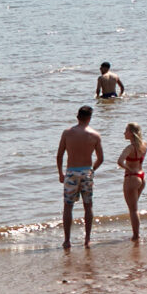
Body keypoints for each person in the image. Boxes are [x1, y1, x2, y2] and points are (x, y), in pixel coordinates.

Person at [57, 104, 104, 248]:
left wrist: (60, 172)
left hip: (71, 172)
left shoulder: (67, 133)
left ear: (78, 117)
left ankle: (67, 240)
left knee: (68, 206)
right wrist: (92, 170)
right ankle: (87, 239)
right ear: (90, 118)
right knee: (88, 206)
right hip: (86, 172)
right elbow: (101, 158)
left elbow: (59, 155)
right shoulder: (95, 135)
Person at [116, 123, 147, 242]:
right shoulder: (144, 145)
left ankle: (136, 235)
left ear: (132, 133)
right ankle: (136, 233)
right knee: (134, 208)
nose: (124, 133)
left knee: (133, 209)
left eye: (126, 130)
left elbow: (119, 161)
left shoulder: (129, 148)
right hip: (141, 176)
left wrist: (127, 168)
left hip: (131, 177)